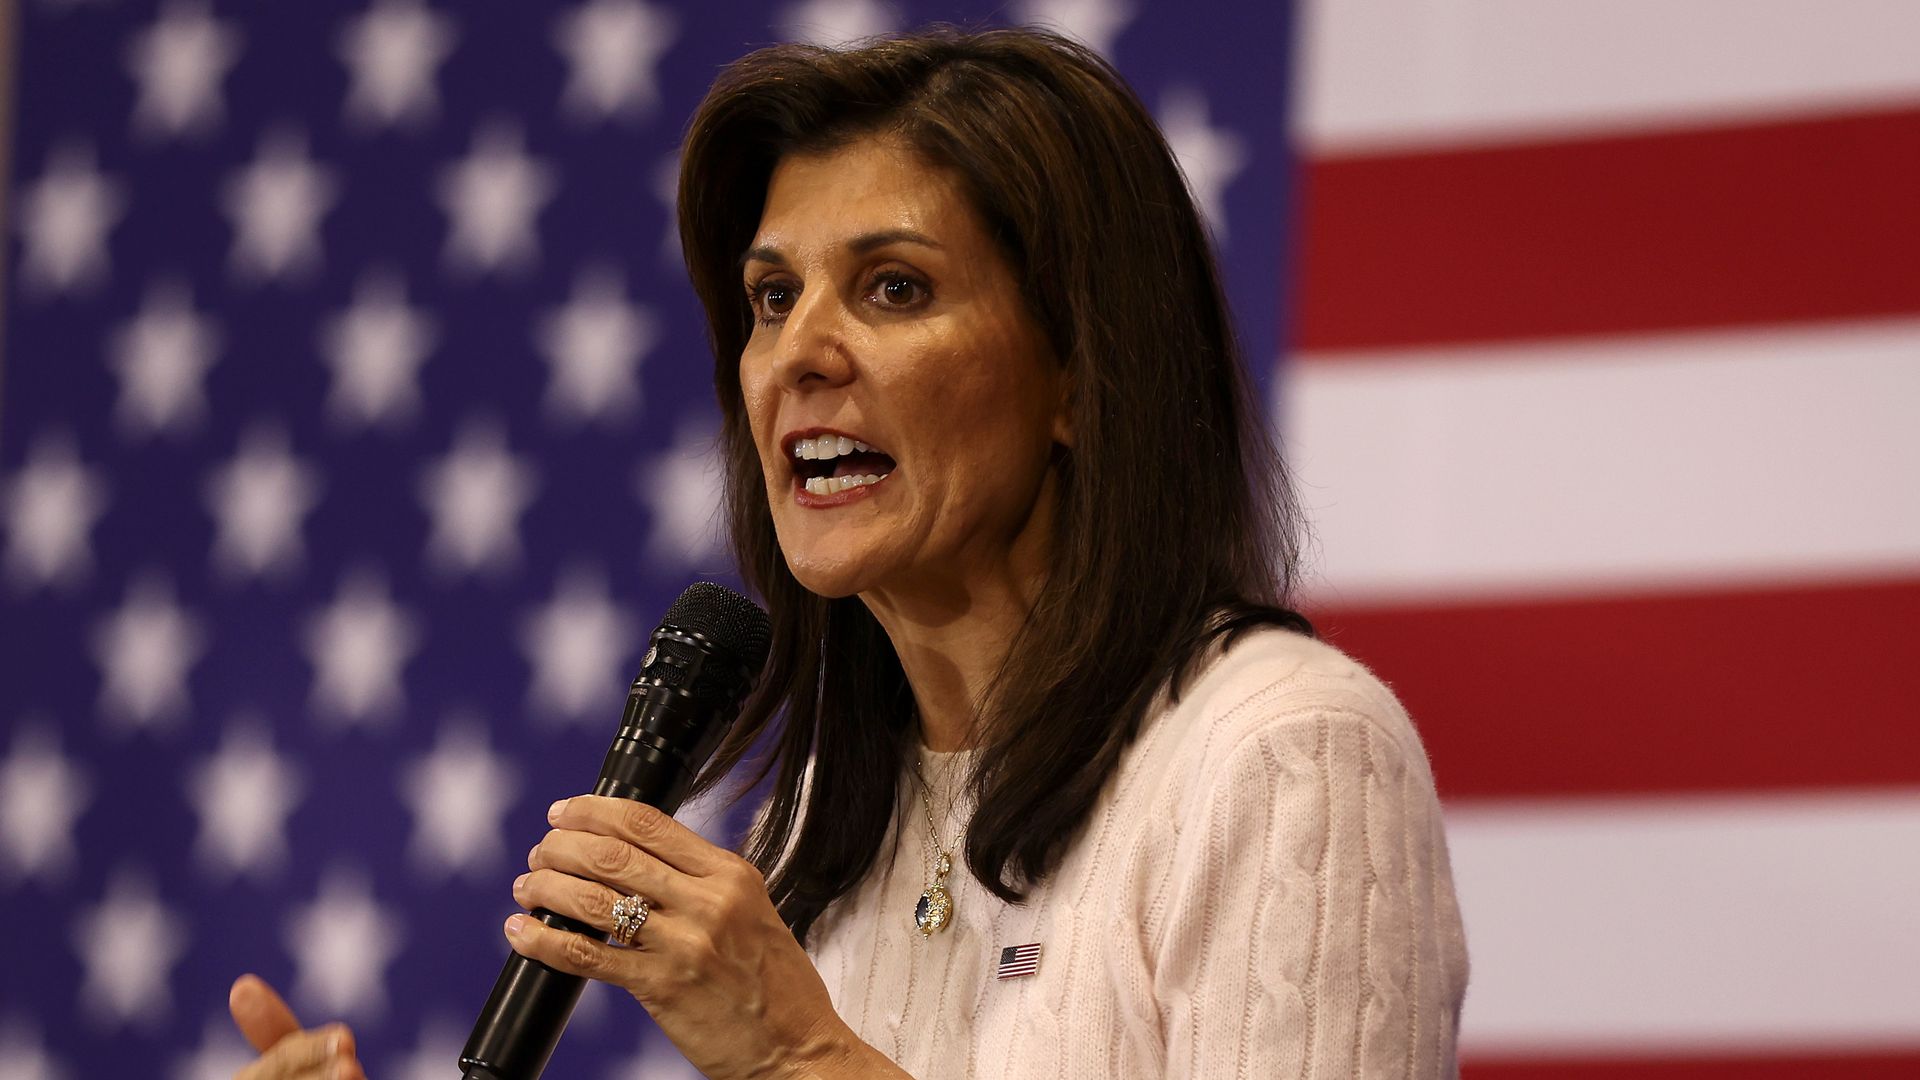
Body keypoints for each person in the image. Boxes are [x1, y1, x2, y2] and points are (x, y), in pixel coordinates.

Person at [231, 26, 1469, 1080]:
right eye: (773, 299)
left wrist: (805, 1059)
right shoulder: (830, 809)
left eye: (892, 289)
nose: (798, 355)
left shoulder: (1283, 758)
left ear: (1082, 377)